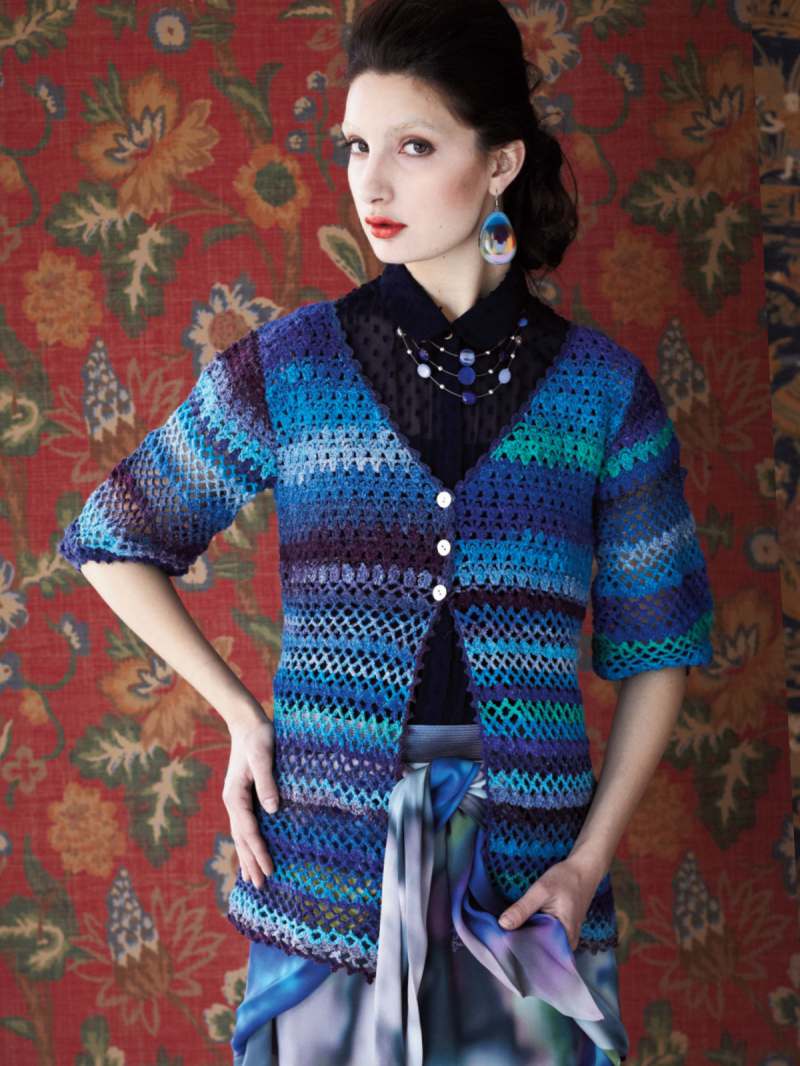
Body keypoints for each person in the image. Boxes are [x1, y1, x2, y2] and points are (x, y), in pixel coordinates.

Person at [57, 0, 714, 1063]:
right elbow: (114, 536)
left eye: (413, 147)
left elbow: (659, 649)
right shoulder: (293, 367)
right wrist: (239, 715)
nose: (371, 186)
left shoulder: (604, 394)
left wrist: (588, 862)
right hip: (326, 855)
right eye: (356, 147)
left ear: (499, 163)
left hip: (523, 875)